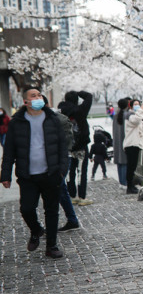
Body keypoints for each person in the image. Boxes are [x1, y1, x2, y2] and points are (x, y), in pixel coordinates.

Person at [0, 86, 69, 258]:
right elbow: (9, 150)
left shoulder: (53, 119)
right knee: (26, 208)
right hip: (27, 175)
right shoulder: (17, 122)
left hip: (51, 173)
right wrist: (5, 174)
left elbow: (62, 146)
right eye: (33, 95)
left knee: (52, 210)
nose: (38, 97)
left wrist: (62, 170)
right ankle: (36, 230)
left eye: (39, 94)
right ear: (26, 101)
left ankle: (51, 246)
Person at [48, 96, 80, 232]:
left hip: (59, 160)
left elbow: (67, 143)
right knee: (61, 190)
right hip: (50, 161)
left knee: (59, 189)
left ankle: (69, 221)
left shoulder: (59, 119)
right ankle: (71, 220)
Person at [58, 90, 93, 206]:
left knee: (70, 171)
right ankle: (81, 197)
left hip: (67, 146)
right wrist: (79, 92)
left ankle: (72, 196)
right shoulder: (81, 110)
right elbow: (89, 96)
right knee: (81, 171)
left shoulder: (60, 111)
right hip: (81, 145)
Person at [123, 99, 143, 194]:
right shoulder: (129, 115)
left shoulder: (133, 115)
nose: (137, 106)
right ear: (130, 106)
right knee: (131, 166)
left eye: (138, 104)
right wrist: (141, 109)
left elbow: (137, 124)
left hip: (135, 144)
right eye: (135, 104)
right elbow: (136, 121)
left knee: (133, 166)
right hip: (131, 144)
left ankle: (131, 186)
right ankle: (129, 186)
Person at [112, 98, 130, 189]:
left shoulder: (116, 115)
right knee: (124, 162)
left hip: (117, 141)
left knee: (119, 162)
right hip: (124, 140)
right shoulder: (127, 115)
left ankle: (121, 181)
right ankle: (124, 182)